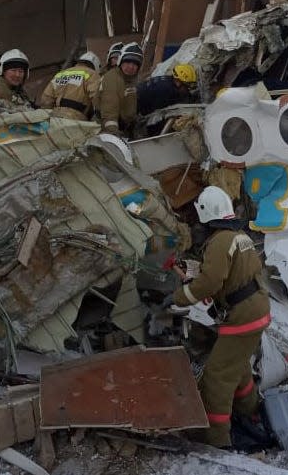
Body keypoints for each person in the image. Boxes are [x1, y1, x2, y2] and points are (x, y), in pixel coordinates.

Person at [165, 186, 270, 448]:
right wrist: (197, 280)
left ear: (204, 213)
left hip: (242, 316)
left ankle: (217, 439)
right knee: (238, 366)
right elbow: (228, 277)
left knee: (216, 377)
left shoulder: (219, 241)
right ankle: (251, 411)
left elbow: (211, 282)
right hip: (256, 308)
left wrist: (179, 296)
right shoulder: (239, 236)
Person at [38, 51, 101, 120]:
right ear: (95, 67)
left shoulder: (61, 74)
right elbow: (97, 97)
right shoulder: (92, 74)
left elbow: (46, 100)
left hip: (55, 117)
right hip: (76, 119)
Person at [98, 43, 142, 136]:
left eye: (135, 64)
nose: (131, 67)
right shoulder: (112, 79)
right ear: (120, 61)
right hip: (108, 127)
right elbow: (109, 109)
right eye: (127, 62)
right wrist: (113, 131)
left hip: (125, 127)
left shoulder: (132, 79)